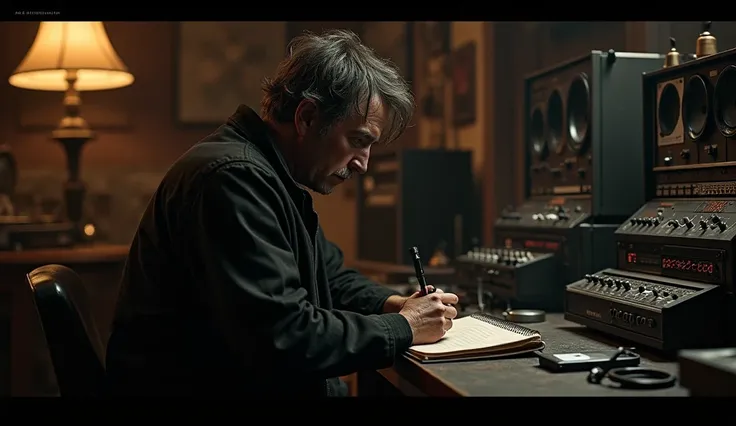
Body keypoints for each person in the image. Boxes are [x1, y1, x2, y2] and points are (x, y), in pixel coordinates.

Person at [104, 29, 460, 397]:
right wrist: (402, 326)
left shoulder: (270, 177)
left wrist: (396, 304)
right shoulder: (234, 179)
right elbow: (286, 338)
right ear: (306, 118)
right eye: (358, 141)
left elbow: (330, 276)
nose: (363, 165)